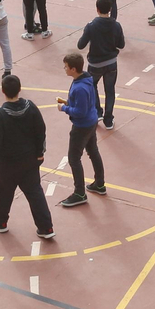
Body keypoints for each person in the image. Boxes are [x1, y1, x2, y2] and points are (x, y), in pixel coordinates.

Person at [0, 74, 54, 238]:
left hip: (7, 164)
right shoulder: (31, 107)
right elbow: (41, 131)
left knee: (3, 193)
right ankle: (46, 227)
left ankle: (0, 221)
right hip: (29, 161)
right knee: (35, 192)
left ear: (2, 91)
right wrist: (39, 153)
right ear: (20, 89)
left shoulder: (0, 114)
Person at [56, 53, 106, 207]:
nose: (64, 69)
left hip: (82, 126)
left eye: (66, 66)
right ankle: (99, 183)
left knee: (74, 158)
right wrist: (70, 102)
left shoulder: (80, 88)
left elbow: (80, 111)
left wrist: (64, 108)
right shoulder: (86, 79)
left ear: (73, 69)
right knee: (93, 152)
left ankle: (79, 193)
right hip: (90, 121)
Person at [78, 0, 124, 128]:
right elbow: (121, 44)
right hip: (111, 63)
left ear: (97, 9)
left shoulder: (91, 26)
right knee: (110, 90)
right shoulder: (116, 25)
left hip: (95, 64)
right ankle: (108, 119)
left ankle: (97, 112)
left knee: (92, 86)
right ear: (110, 9)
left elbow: (81, 45)